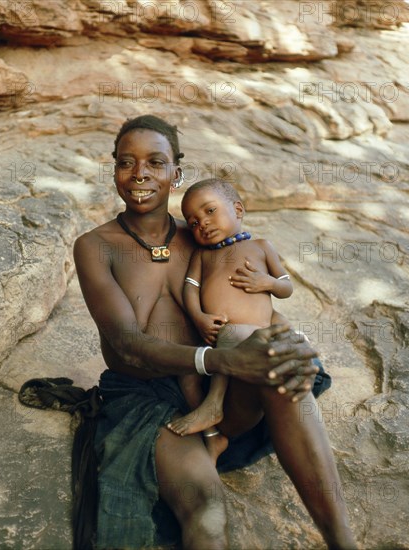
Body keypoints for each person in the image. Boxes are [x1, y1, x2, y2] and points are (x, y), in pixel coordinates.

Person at [73, 114, 356, 549]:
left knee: (280, 364)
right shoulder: (97, 246)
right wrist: (222, 358)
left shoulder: (204, 237)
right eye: (126, 162)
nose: (141, 174)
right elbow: (127, 346)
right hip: (151, 402)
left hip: (219, 391)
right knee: (207, 513)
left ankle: (343, 542)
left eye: (156, 162)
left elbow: (250, 305)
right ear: (114, 169)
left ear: (176, 173)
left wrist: (285, 343)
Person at [167, 178, 295, 464]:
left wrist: (268, 283)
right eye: (194, 222)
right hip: (216, 335)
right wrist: (199, 317)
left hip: (255, 333)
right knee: (186, 376)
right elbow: (190, 289)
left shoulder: (261, 247)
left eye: (210, 211)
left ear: (237, 209)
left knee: (234, 334)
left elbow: (287, 287)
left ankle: (213, 404)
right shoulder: (203, 255)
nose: (203, 224)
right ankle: (214, 437)